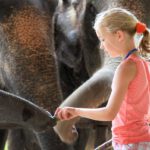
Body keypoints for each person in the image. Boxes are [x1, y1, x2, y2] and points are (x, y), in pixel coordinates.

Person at [55, 8, 150, 149]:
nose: (101, 46)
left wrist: (76, 111)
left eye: (103, 39)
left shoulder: (125, 68)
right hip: (141, 139)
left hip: (130, 143)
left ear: (119, 35)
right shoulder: (145, 64)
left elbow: (110, 113)